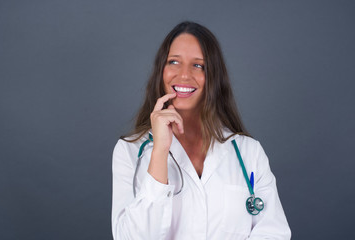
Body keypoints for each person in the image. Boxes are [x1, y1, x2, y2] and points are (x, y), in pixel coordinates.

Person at [111, 21, 291, 240]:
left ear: (214, 77)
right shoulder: (130, 151)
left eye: (198, 65)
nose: (184, 75)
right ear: (160, 71)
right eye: (174, 62)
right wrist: (159, 151)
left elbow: (273, 233)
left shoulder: (248, 153)